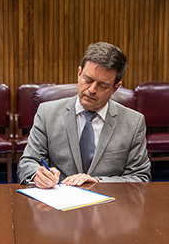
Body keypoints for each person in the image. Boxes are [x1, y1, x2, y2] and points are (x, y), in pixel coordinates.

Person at [17, 42, 151, 189]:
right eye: (88, 80)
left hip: (109, 205)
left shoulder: (133, 122)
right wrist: (37, 174)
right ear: (79, 73)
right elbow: (27, 162)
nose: (92, 90)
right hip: (58, 204)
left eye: (102, 85)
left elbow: (140, 177)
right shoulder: (47, 113)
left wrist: (98, 182)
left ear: (115, 88)